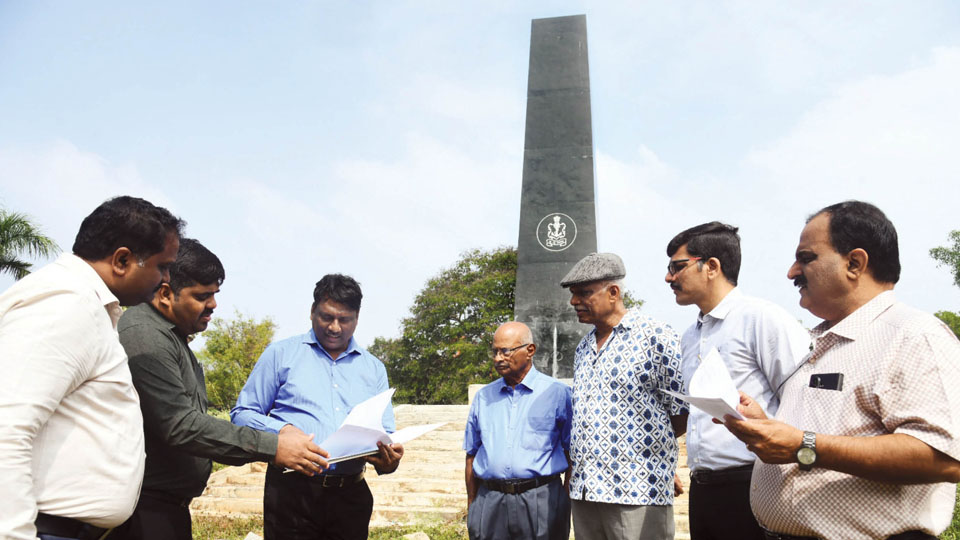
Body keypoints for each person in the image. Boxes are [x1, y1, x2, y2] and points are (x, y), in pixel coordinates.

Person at [723, 201, 960, 540]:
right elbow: (825, 430)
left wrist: (803, 445)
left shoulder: (914, 335)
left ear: (855, 263)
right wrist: (765, 425)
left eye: (806, 258)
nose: (791, 272)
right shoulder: (819, 341)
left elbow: (944, 458)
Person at [111, 239, 330, 540]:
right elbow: (181, 425)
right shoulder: (145, 338)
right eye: (202, 296)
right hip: (143, 511)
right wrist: (273, 446)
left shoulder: (171, 337)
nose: (213, 305)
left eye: (214, 294)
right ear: (165, 294)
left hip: (163, 508)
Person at [0, 196, 183, 540]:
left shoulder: (87, 306)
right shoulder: (65, 305)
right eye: (162, 266)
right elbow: (6, 429)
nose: (166, 279)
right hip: (44, 529)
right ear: (123, 259)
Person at [665, 222, 810, 540]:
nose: (668, 278)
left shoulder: (761, 318)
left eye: (677, 267)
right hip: (703, 489)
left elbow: (805, 402)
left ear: (711, 267)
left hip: (754, 483)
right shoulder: (690, 336)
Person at [231, 274, 404, 540]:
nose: (335, 327)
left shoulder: (373, 368)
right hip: (292, 493)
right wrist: (283, 430)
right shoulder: (281, 354)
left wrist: (388, 458)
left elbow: (385, 433)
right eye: (327, 317)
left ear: (357, 318)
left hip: (350, 497)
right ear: (312, 312)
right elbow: (242, 414)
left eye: (344, 319)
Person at [561, 252, 688, 540]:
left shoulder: (655, 336)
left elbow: (682, 411)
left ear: (613, 292)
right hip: (586, 490)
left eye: (583, 293)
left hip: (636, 490)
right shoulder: (583, 348)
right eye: (572, 295)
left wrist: (652, 456)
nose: (573, 302)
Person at [464, 321, 573, 540]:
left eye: (505, 351)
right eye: (494, 352)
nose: (498, 358)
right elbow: (471, 454)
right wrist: (474, 506)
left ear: (530, 350)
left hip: (541, 500)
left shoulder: (558, 394)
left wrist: (564, 501)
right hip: (491, 501)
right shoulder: (484, 397)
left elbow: (573, 454)